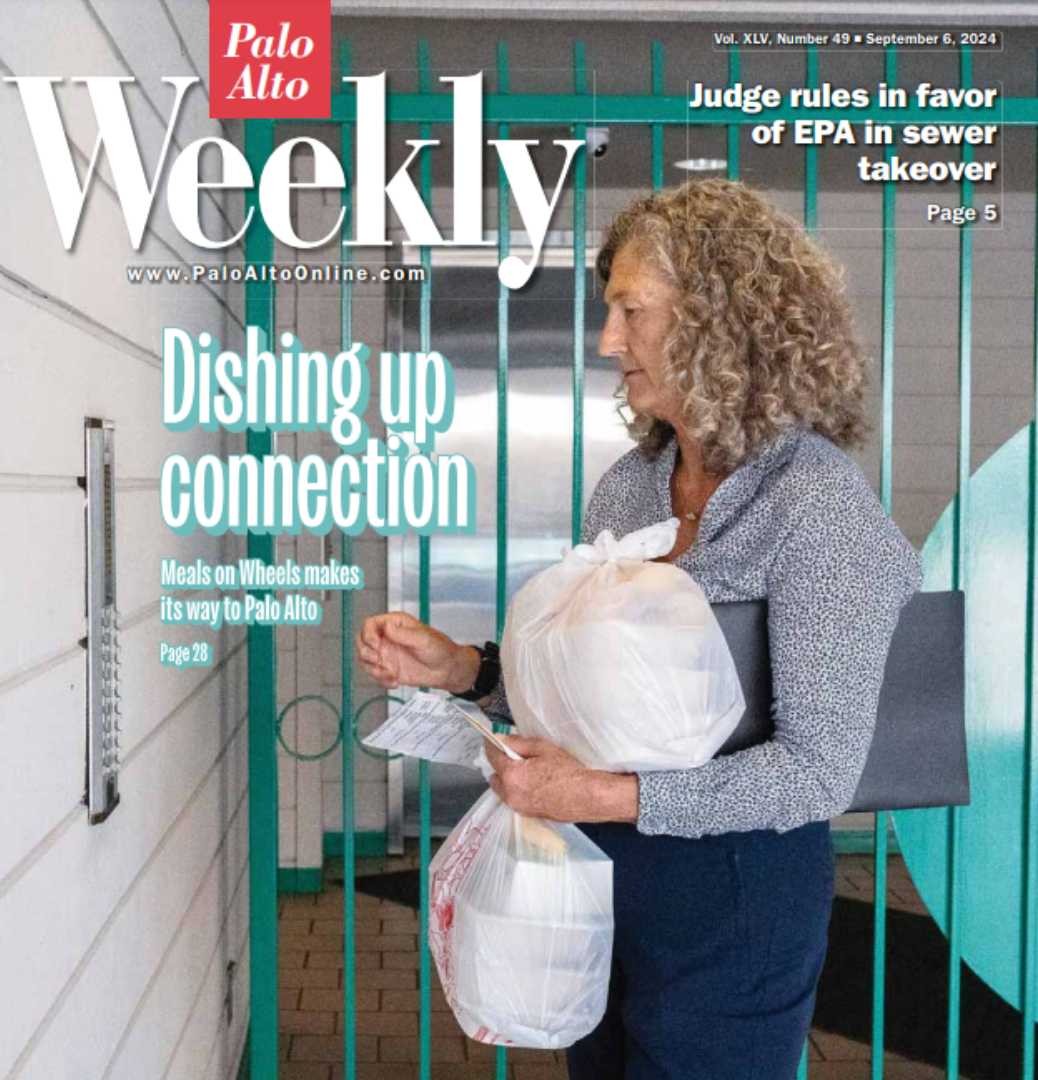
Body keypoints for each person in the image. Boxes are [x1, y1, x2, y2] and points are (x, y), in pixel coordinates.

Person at [356, 178, 923, 1080]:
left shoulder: (816, 505)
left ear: (719, 319)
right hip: (605, 874)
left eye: (631, 310)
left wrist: (604, 797)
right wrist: (464, 667)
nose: (607, 341)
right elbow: (592, 697)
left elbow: (818, 771)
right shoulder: (631, 483)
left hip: (735, 896)